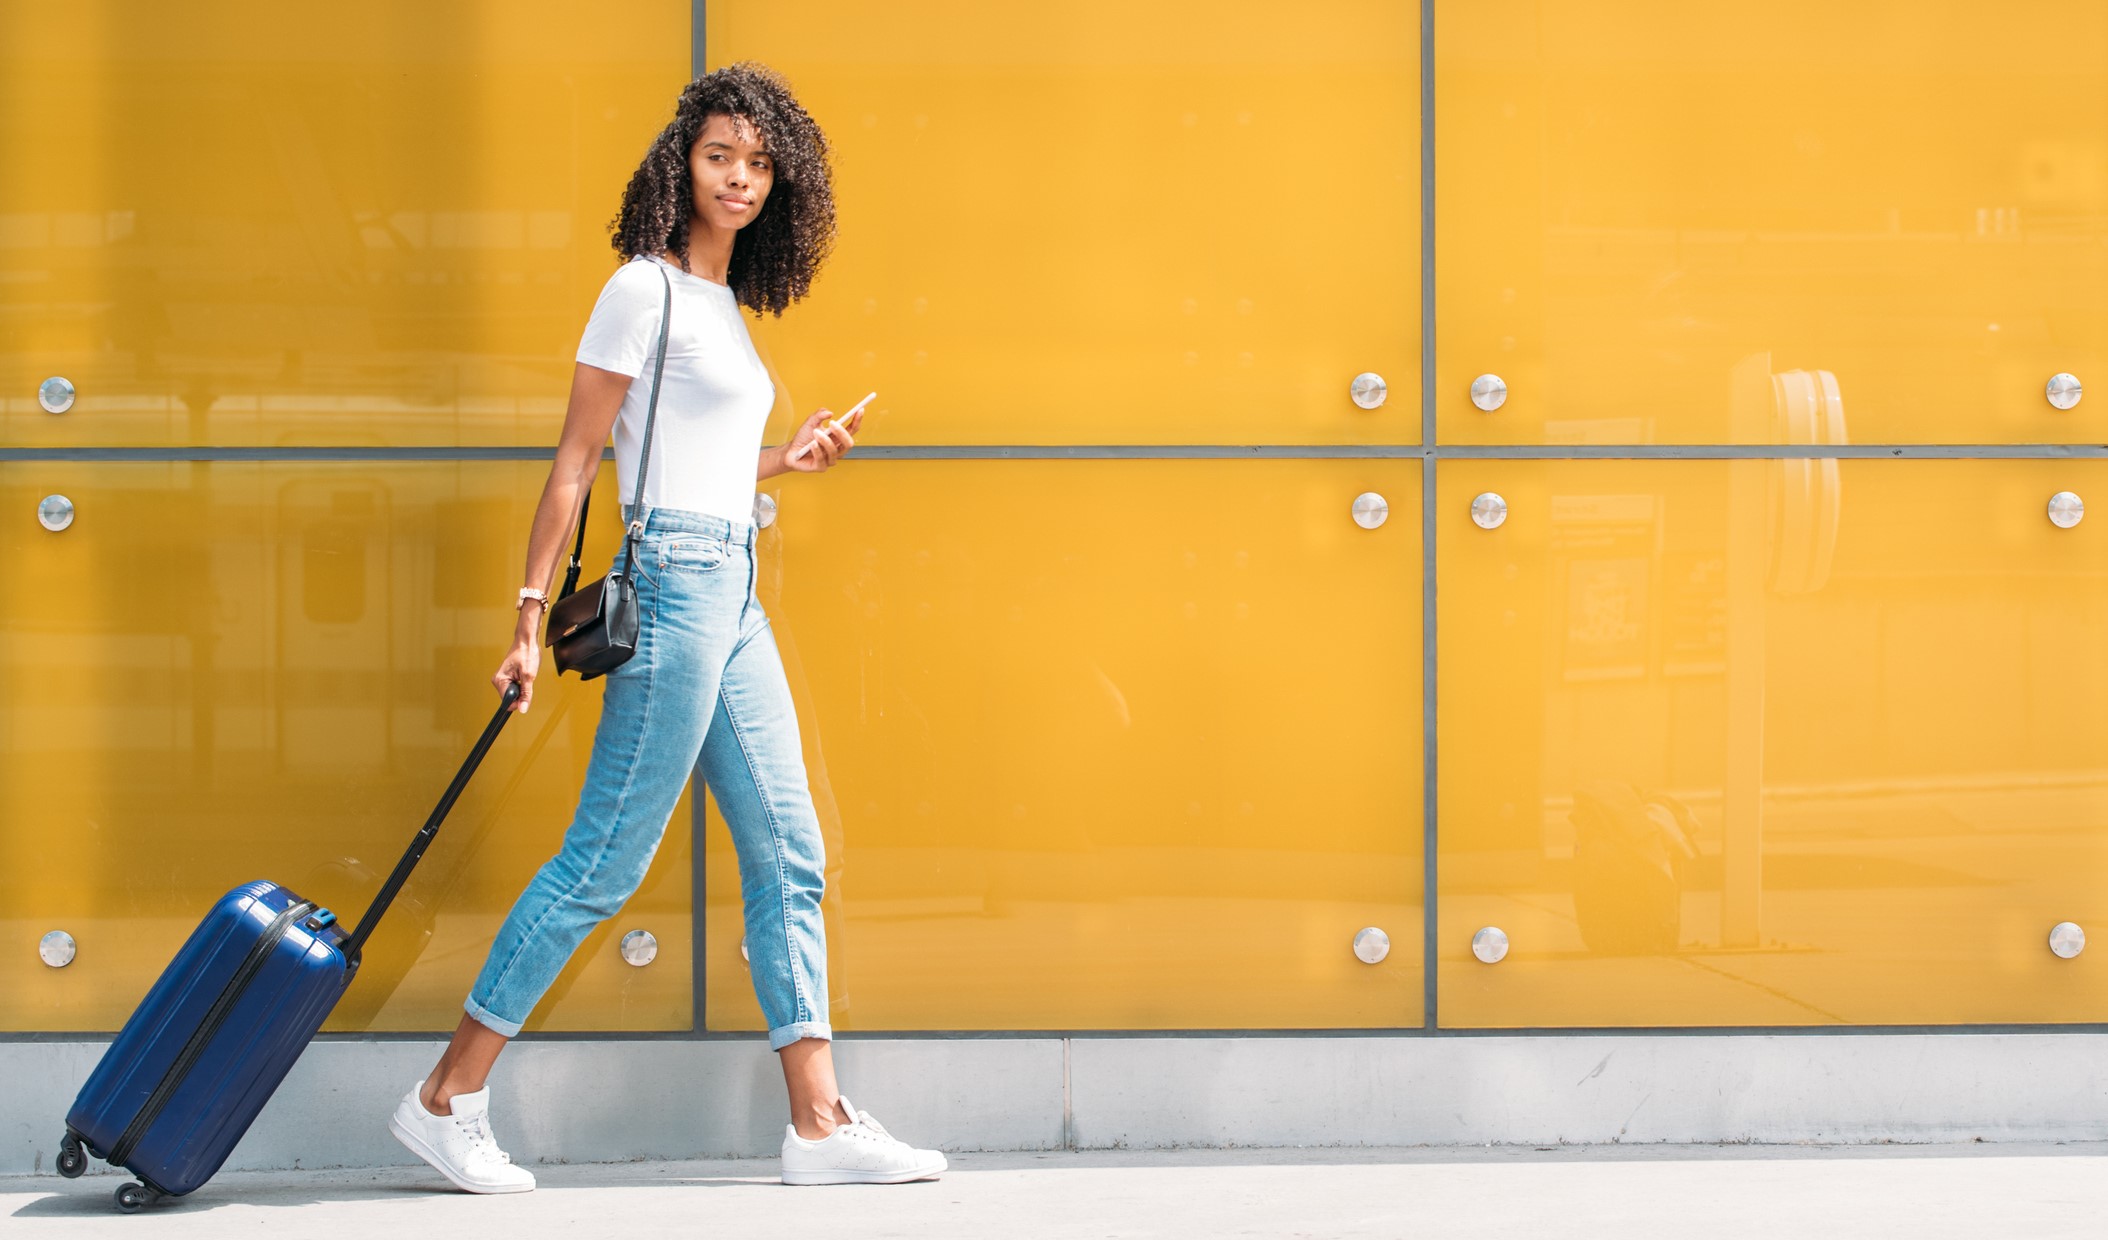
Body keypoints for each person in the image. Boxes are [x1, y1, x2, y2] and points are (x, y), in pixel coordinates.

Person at [385, 61, 945, 1192]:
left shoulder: (727, 307)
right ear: (678, 166)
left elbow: (695, 457)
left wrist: (791, 455)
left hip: (731, 579)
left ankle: (819, 1126)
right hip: (678, 577)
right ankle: (446, 1096)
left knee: (790, 850)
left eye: (757, 163)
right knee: (605, 859)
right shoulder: (639, 288)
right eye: (718, 156)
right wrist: (529, 614)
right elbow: (578, 462)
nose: (738, 178)